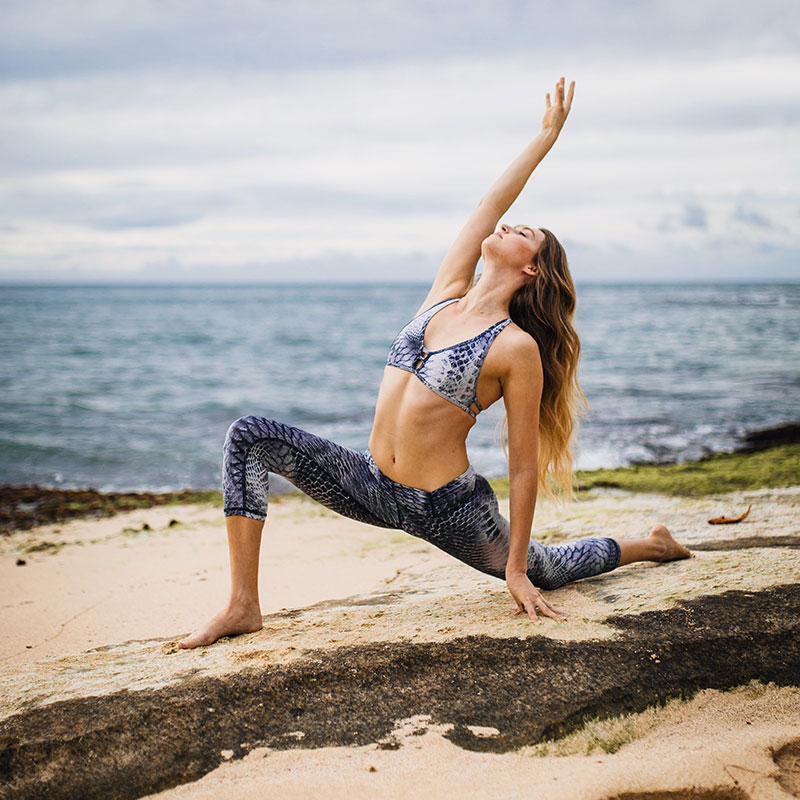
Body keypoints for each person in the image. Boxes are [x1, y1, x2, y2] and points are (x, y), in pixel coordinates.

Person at [179, 76, 691, 649]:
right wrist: (543, 140)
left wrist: (515, 569)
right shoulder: (444, 292)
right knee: (248, 436)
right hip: (371, 483)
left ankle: (651, 545)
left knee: (546, 568)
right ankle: (243, 604)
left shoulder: (515, 347)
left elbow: (523, 468)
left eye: (523, 231)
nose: (505, 224)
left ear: (532, 270)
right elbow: (489, 203)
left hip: (445, 508)